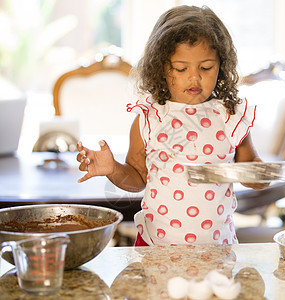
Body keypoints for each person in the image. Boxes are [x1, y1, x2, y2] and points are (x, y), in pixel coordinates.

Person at [76, 5, 268, 246]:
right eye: (181, 68)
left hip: (217, 248)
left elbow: (251, 172)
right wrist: (113, 168)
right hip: (155, 246)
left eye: (206, 67)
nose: (194, 77)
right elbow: (137, 178)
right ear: (161, 68)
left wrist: (263, 174)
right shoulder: (151, 118)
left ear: (221, 65)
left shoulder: (230, 115)